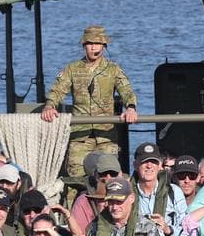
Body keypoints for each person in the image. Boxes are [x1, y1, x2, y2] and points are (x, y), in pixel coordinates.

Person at [40, 24, 139, 181]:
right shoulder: (72, 69)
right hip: (80, 134)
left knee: (110, 178)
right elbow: (57, 90)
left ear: (104, 46)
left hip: (106, 134)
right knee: (75, 178)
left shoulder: (113, 69)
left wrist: (131, 108)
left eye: (98, 44)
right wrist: (50, 106)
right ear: (84, 46)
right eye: (90, 44)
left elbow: (126, 91)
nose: (94, 48)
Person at [131, 142, 186, 236]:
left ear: (160, 165)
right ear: (135, 165)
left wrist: (167, 229)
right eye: (144, 161)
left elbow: (186, 232)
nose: (149, 166)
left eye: (154, 162)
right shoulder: (127, 193)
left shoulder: (173, 191)